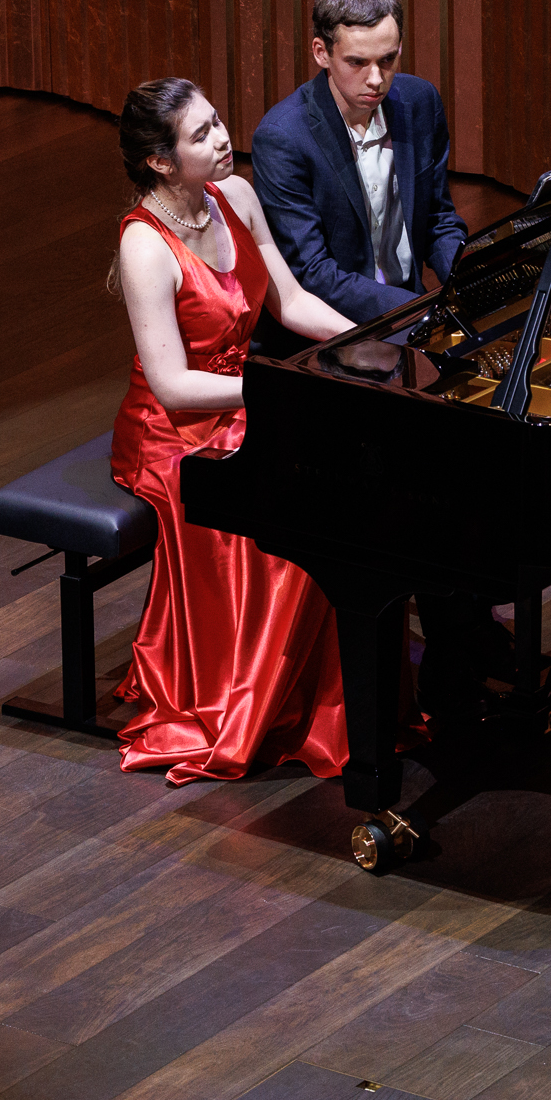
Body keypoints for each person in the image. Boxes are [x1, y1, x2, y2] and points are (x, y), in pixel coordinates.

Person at [108, 77, 357, 783]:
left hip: (246, 398)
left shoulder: (236, 197)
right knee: (285, 518)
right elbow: (172, 385)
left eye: (218, 121)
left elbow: (294, 299)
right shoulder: (144, 246)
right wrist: (273, 387)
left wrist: (380, 344)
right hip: (173, 433)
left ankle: (318, 698)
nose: (223, 138)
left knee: (339, 489)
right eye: (201, 134)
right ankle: (258, 700)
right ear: (160, 160)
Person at [249, 0, 468, 327]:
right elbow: (313, 272)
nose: (376, 79)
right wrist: (422, 312)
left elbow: (437, 219)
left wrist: (467, 281)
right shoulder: (283, 137)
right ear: (321, 52)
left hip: (412, 308)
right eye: (357, 63)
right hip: (334, 330)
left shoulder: (420, 102)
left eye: (387, 59)